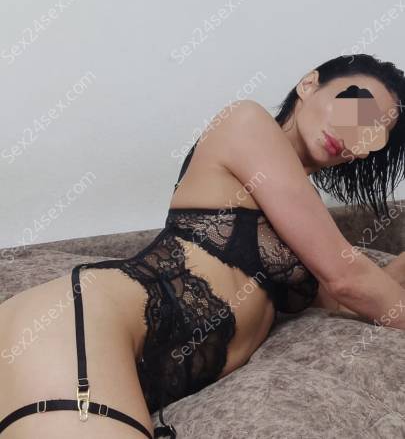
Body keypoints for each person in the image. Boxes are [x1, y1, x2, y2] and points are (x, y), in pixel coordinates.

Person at [1, 53, 405, 438]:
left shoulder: (305, 212)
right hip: (78, 326)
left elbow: (354, 298)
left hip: (116, 367)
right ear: (309, 84)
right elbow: (347, 279)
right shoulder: (247, 122)